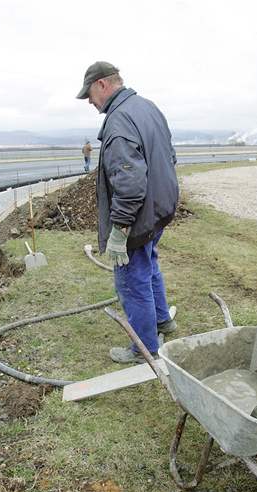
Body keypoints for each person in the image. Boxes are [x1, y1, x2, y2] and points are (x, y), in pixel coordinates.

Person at [76, 61, 179, 364]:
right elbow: (169, 156)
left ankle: (145, 348)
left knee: (131, 280)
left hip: (139, 215)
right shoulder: (147, 107)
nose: (90, 103)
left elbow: (130, 185)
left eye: (90, 95)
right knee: (148, 263)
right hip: (159, 209)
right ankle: (162, 321)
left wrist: (119, 230)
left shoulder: (119, 120)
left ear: (102, 85)